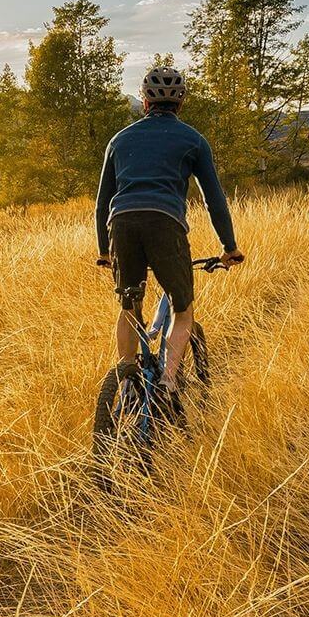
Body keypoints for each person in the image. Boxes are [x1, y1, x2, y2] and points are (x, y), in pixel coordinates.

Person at [95, 66, 244, 413]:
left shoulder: (119, 139)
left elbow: (103, 201)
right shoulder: (192, 139)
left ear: (145, 101)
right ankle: (167, 384)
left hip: (122, 224)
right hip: (165, 225)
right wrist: (229, 246)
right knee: (183, 309)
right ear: (181, 103)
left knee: (129, 306)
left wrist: (104, 250)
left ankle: (128, 380)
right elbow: (214, 199)